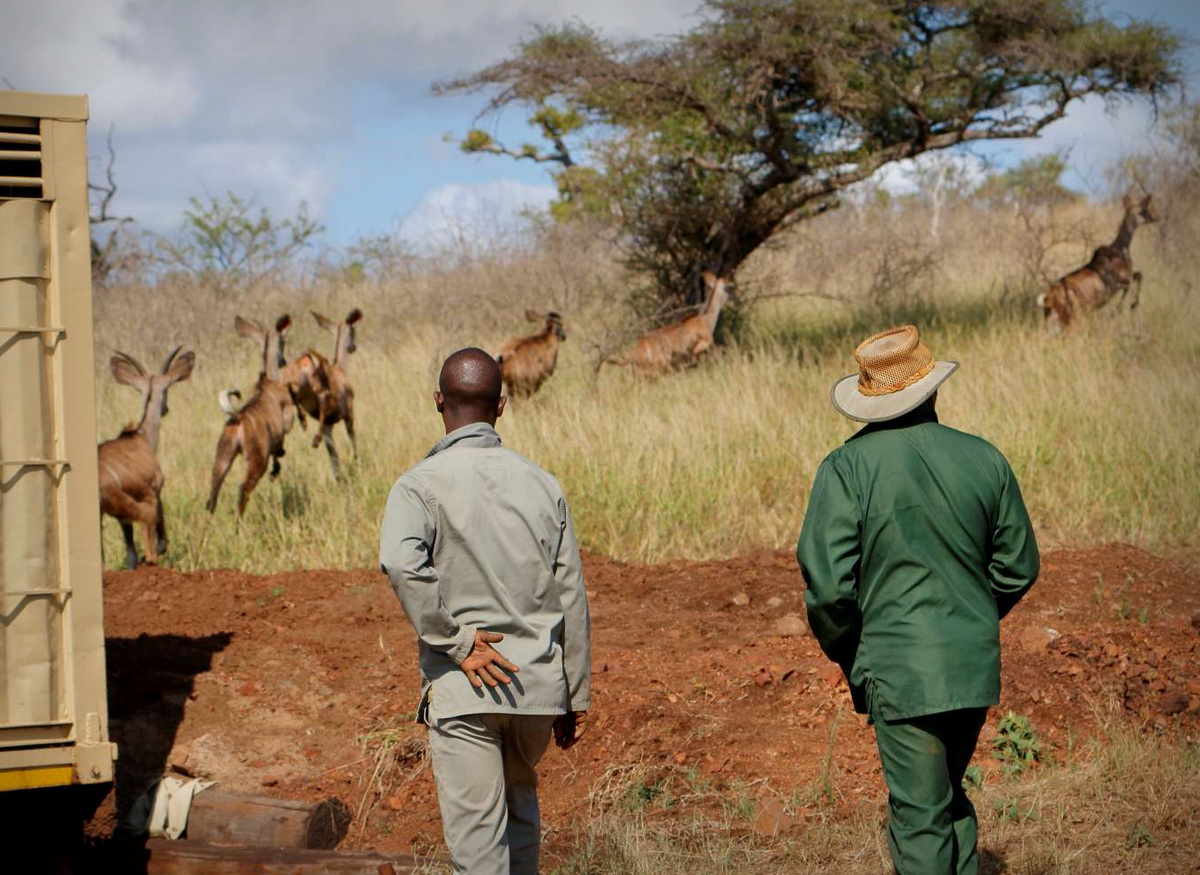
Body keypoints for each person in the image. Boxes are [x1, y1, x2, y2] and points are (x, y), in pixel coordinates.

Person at [797, 325, 1039, 875]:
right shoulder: (984, 458)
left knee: (920, 818)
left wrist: (856, 651)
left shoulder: (846, 468)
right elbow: (1019, 564)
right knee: (949, 800)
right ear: (931, 389)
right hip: (971, 663)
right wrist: (971, 615)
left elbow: (829, 589)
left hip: (901, 670)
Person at [378, 347, 591, 875]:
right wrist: (574, 694)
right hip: (536, 691)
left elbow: (401, 566)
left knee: (478, 854)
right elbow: (571, 593)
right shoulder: (543, 484)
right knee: (521, 827)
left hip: (464, 689)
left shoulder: (419, 485)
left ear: (438, 402)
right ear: (501, 406)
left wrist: (456, 642)